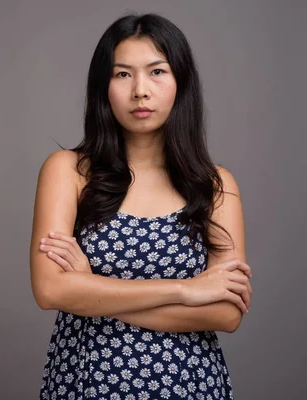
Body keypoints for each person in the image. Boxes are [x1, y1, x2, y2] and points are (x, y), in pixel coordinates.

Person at [29, 12, 252, 400]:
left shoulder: (216, 186)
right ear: (103, 87)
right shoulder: (69, 172)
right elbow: (51, 289)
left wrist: (92, 291)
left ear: (181, 82)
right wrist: (185, 291)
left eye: (157, 72)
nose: (140, 91)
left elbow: (226, 314)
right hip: (89, 385)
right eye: (122, 74)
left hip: (190, 386)